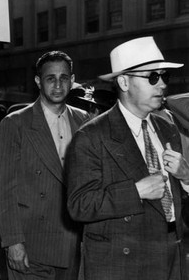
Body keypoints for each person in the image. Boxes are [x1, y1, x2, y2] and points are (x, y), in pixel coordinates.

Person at [66, 36, 188, 280]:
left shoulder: (167, 128)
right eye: (152, 77)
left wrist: (186, 177)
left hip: (171, 256)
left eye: (165, 76)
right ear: (123, 81)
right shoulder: (91, 135)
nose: (162, 84)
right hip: (122, 264)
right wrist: (136, 191)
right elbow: (79, 205)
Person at [0, 51, 89, 280]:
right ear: (38, 81)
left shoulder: (83, 121)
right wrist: (13, 241)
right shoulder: (15, 123)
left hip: (74, 242)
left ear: (72, 81)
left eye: (64, 78)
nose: (57, 85)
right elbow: (3, 188)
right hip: (31, 243)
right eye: (50, 78)